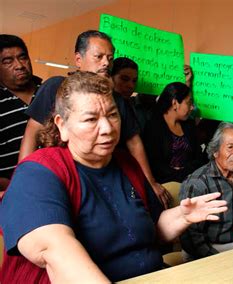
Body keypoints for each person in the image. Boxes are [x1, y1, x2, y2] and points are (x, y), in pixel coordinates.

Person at [0, 72, 228, 283]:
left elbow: (153, 230)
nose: (108, 128)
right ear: (63, 126)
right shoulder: (39, 171)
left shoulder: (126, 163)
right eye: (91, 119)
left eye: (112, 115)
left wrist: (182, 216)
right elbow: (55, 250)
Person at [18, 30, 173, 208]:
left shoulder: (116, 98)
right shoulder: (55, 86)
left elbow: (134, 142)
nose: (106, 63)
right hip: (60, 177)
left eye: (110, 58)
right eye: (99, 57)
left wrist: (150, 182)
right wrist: (22, 177)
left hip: (102, 178)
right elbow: (32, 132)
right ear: (78, 59)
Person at [179, 122, 233, 259]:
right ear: (215, 151)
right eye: (230, 147)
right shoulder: (198, 183)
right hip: (209, 249)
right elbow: (191, 238)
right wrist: (217, 260)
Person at [0, 35, 42, 194]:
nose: (19, 65)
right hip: (16, 193)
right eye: (7, 61)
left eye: (22, 57)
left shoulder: (50, 91)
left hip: (61, 184)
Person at [143, 82, 206, 183]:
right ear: (175, 103)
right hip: (164, 184)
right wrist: (178, 175)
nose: (192, 107)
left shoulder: (189, 124)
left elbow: (198, 159)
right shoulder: (154, 127)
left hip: (190, 180)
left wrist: (184, 172)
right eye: (189, 103)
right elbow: (155, 164)